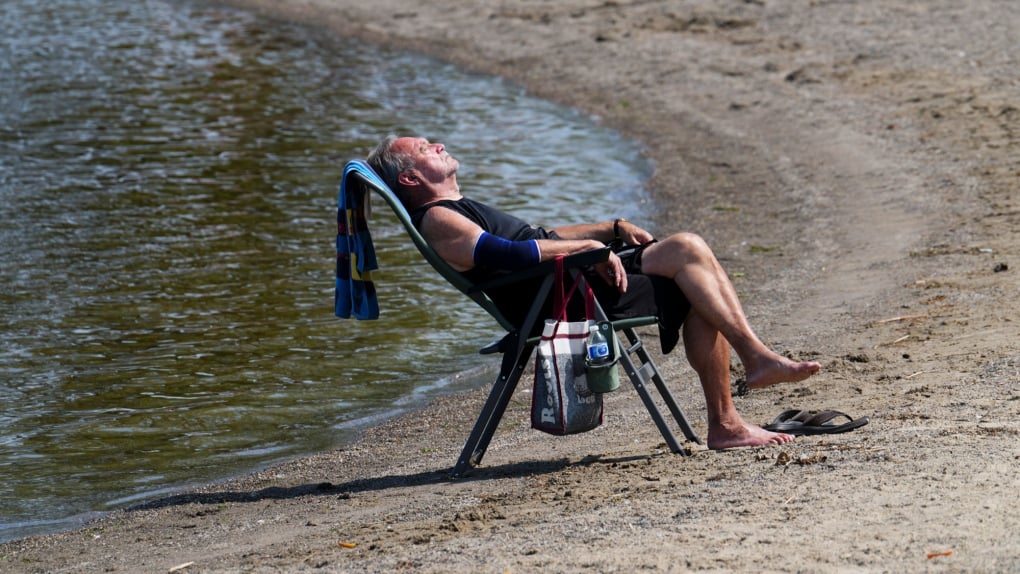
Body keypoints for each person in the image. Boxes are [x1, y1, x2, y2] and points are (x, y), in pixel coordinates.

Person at [367, 135, 821, 450]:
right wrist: (585, 248)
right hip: (562, 298)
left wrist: (609, 229)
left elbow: (537, 235)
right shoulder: (438, 217)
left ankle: (742, 391)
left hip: (568, 281)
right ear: (410, 179)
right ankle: (738, 396)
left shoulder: (455, 208)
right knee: (692, 270)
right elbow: (503, 253)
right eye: (426, 149)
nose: (439, 145)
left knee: (688, 251)